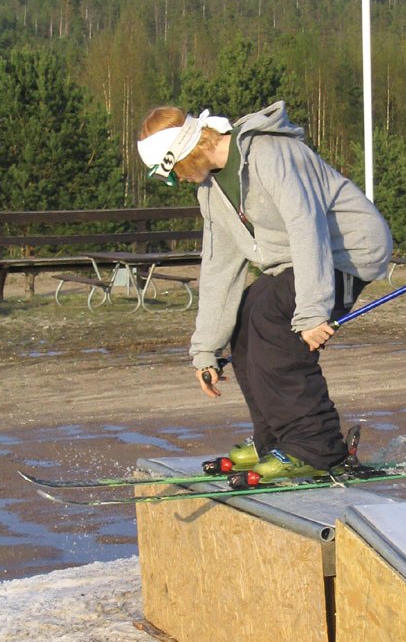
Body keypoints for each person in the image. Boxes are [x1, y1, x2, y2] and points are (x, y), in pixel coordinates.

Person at [137, 100, 392, 481]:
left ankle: (315, 446)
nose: (175, 182)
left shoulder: (269, 152)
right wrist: (206, 349)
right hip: (293, 262)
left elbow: (307, 226)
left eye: (171, 174)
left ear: (186, 153)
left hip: (347, 251)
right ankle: (273, 437)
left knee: (274, 321)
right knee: (245, 316)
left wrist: (311, 313)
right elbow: (220, 268)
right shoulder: (211, 192)